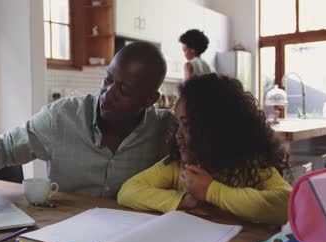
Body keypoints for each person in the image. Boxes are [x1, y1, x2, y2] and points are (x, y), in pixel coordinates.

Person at [0, 42, 174, 199]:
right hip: (65, 232)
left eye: (124, 90)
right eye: (108, 80)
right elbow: (5, 147)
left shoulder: (165, 130)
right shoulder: (62, 117)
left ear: (150, 99)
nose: (109, 93)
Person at [118, 73, 292, 225]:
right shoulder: (178, 165)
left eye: (187, 125)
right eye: (177, 124)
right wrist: (184, 201)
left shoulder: (252, 165)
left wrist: (212, 191)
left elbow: (288, 204)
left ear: (216, 129)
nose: (177, 135)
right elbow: (128, 191)